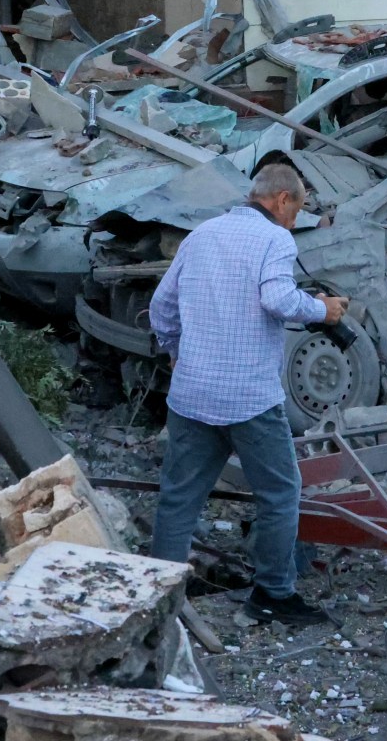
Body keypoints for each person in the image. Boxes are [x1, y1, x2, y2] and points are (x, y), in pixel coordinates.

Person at [147, 163, 347, 628]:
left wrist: (175, 350)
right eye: (297, 209)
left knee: (179, 497)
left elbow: (162, 306)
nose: (296, 221)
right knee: (279, 493)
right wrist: (323, 310)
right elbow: (278, 299)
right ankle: (273, 594)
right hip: (249, 398)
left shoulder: (201, 234)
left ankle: (157, 597)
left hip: (193, 392)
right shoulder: (276, 239)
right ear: (281, 201)